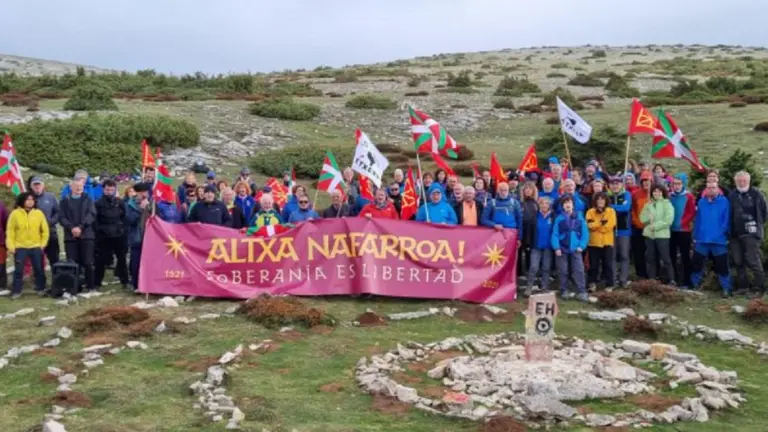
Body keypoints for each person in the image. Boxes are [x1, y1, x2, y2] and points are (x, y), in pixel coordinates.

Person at [729, 171, 767, 296]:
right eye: (739, 180)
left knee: (753, 260)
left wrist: (757, 226)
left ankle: (759, 289)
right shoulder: (732, 194)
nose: (741, 182)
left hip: (752, 233)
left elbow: (764, 213)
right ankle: (743, 287)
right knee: (738, 261)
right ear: (735, 181)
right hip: (735, 234)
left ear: (748, 181)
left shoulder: (757, 194)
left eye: (744, 180)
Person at [692, 182, 732, 297]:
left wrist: (724, 233)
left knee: (722, 265)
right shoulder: (701, 202)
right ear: (706, 190)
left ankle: (726, 288)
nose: (711, 190)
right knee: (697, 263)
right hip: (702, 239)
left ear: (718, 189)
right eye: (709, 188)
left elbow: (727, 219)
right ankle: (694, 284)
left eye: (713, 188)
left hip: (718, 240)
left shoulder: (724, 202)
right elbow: (698, 220)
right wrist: (695, 235)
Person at [6, 192, 49, 298]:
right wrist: (11, 246)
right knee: (19, 270)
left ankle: (40, 288)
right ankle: (16, 291)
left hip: (36, 246)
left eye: (32, 200)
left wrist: (42, 244)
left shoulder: (38, 213)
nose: (30, 202)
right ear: (22, 201)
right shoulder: (15, 214)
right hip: (20, 247)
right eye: (28, 200)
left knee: (39, 269)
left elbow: (45, 230)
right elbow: (10, 231)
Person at [60, 176, 97, 292]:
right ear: (70, 187)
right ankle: (74, 287)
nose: (78, 188)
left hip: (86, 235)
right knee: (73, 263)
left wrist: (81, 227)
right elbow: (61, 217)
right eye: (75, 186)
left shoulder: (88, 199)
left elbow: (92, 214)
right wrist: (71, 228)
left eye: (80, 186)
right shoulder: (64, 201)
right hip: (70, 236)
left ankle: (91, 286)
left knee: (88, 262)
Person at [552, 195, 589, 301]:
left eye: (569, 203)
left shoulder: (580, 217)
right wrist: (556, 247)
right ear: (562, 206)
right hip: (562, 248)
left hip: (576, 248)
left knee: (579, 269)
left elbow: (585, 233)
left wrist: (582, 246)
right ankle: (564, 290)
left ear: (573, 205)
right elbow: (555, 234)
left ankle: (581, 291)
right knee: (563, 270)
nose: (567, 205)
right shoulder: (559, 218)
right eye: (565, 203)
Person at [93, 179, 128, 289]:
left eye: (112, 190)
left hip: (118, 234)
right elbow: (95, 219)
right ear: (103, 189)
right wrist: (100, 231)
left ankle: (125, 281)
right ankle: (97, 282)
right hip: (104, 235)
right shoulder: (98, 203)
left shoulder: (119, 202)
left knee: (121, 258)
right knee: (101, 259)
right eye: (107, 189)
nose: (110, 192)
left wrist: (122, 229)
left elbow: (124, 216)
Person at [640, 184, 675, 283]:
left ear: (663, 192)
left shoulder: (667, 204)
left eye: (659, 191)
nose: (657, 193)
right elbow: (642, 219)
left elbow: (668, 220)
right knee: (650, 258)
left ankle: (671, 279)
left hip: (662, 235)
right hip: (649, 235)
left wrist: (655, 226)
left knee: (665, 257)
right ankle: (652, 279)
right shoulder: (648, 204)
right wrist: (647, 216)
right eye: (655, 191)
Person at [669, 173, 696, 289]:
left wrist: (682, 222)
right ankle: (673, 279)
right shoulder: (669, 196)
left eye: (679, 184)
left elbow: (691, 212)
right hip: (671, 230)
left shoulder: (689, 196)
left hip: (684, 230)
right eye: (674, 184)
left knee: (685, 256)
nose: (676, 186)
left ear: (683, 184)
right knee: (672, 255)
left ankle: (687, 281)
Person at [586, 192, 617, 292]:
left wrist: (598, 227)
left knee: (607, 264)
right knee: (593, 265)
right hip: (593, 243)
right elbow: (589, 226)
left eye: (602, 199)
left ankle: (610, 284)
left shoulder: (611, 211)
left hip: (607, 242)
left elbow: (610, 226)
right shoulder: (590, 212)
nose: (600, 201)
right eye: (598, 199)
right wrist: (601, 223)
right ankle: (592, 283)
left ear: (606, 201)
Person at [526, 197, 555, 296]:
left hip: (549, 247)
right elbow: (529, 231)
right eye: (542, 203)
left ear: (549, 205)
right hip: (536, 246)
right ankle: (529, 287)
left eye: (546, 203)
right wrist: (528, 243)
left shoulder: (553, 216)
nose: (544, 205)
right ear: (539, 205)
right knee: (534, 267)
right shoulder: (535, 216)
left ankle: (544, 287)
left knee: (546, 268)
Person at [125, 183, 152, 291]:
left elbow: (158, 217)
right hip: (136, 237)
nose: (145, 194)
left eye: (146, 192)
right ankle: (136, 284)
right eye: (143, 192)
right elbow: (130, 220)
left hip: (150, 238)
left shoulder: (152, 203)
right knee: (136, 263)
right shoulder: (130, 204)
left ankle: (148, 284)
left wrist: (150, 208)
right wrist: (141, 209)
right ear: (138, 193)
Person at [607, 176, 632, 288]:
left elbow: (625, 208)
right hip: (610, 230)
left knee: (624, 255)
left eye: (617, 183)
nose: (615, 186)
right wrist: (617, 207)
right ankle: (613, 279)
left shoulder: (626, 195)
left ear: (621, 184)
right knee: (611, 256)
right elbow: (605, 209)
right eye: (613, 184)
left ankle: (623, 279)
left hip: (624, 230)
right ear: (610, 185)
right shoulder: (607, 196)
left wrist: (612, 207)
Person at [30, 176, 59, 267]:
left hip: (50, 231)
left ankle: (56, 277)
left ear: (43, 186)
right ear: (31, 187)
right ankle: (39, 279)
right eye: (35, 185)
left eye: (39, 184)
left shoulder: (51, 196)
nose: (37, 187)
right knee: (37, 258)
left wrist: (51, 221)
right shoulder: (28, 198)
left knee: (54, 257)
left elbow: (58, 212)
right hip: (34, 233)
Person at [630, 171, 653, 278]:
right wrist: (637, 222)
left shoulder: (656, 193)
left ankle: (653, 274)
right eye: (643, 181)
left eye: (647, 181)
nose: (645, 183)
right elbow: (633, 210)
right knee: (639, 252)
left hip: (652, 228)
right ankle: (641, 274)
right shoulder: (636, 194)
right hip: (638, 228)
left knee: (652, 252)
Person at [519, 182, 539, 279]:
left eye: (530, 189)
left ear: (533, 191)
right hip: (521, 230)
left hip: (532, 232)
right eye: (526, 189)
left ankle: (530, 272)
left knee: (529, 252)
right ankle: (519, 273)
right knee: (519, 251)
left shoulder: (536, 203)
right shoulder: (519, 203)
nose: (527, 190)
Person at [0, 198, 9, 290]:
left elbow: (6, 222)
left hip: (0, 241)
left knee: (1, 264)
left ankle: (2, 286)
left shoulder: (1, 205)